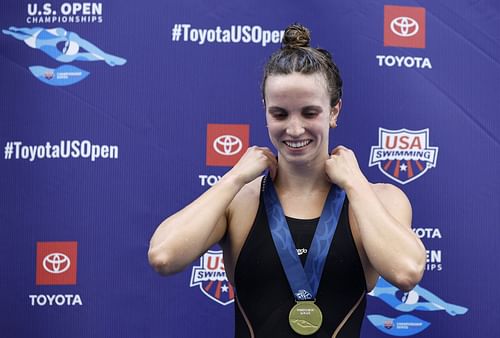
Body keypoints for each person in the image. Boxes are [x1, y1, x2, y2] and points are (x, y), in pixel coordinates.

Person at [148, 23, 426, 337]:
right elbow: (164, 256)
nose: (294, 129)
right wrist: (235, 178)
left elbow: (406, 271)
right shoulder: (240, 202)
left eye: (309, 113)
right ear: (265, 111)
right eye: (280, 114)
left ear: (334, 111)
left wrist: (355, 184)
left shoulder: (378, 198)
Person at [2, 26, 126, 66]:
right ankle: (15, 30)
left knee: (23, 36)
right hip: (38, 32)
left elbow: (87, 56)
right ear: (68, 41)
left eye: (65, 50)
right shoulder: (64, 34)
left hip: (33, 42)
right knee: (26, 31)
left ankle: (13, 32)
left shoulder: (63, 57)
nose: (64, 47)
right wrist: (106, 55)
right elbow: (86, 45)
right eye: (66, 45)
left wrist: (104, 58)